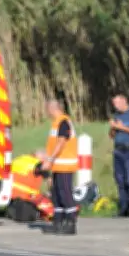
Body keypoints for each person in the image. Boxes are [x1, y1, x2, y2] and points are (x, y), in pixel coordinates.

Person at [40, 99, 79, 235]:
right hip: (57, 166)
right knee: (56, 195)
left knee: (66, 194)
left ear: (52, 108)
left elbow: (61, 142)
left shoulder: (63, 122)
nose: (47, 113)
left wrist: (50, 159)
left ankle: (70, 223)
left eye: (47, 110)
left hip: (65, 165)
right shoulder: (56, 123)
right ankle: (58, 221)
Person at [108, 94, 129, 216]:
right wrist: (113, 128)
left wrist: (122, 127)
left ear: (124, 101)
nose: (116, 106)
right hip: (118, 149)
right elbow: (111, 135)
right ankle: (123, 206)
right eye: (114, 104)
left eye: (117, 103)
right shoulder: (117, 115)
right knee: (119, 179)